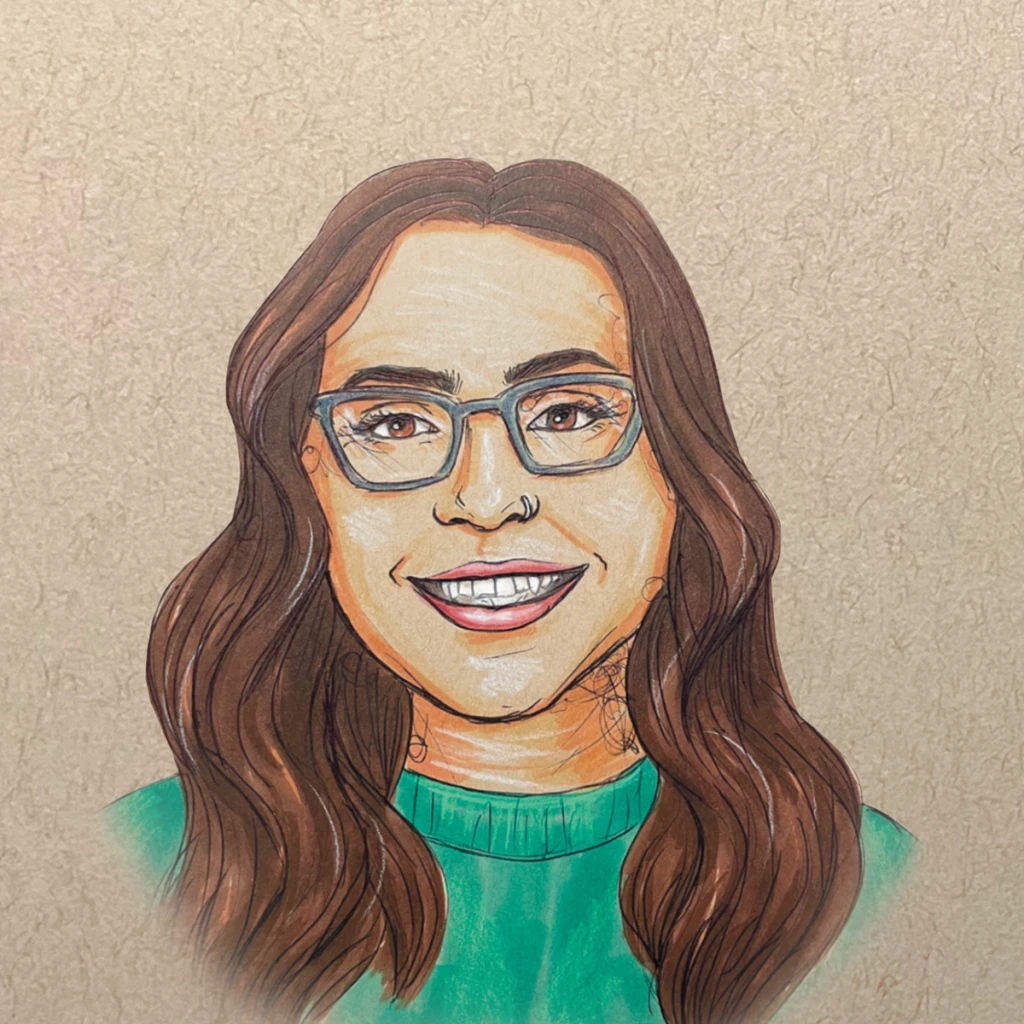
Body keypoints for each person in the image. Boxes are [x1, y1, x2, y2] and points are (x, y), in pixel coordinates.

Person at [101, 159, 918, 1024]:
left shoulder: (864, 889)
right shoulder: (149, 868)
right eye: (395, 423)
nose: (487, 499)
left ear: (680, 466)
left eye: (567, 413)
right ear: (305, 478)